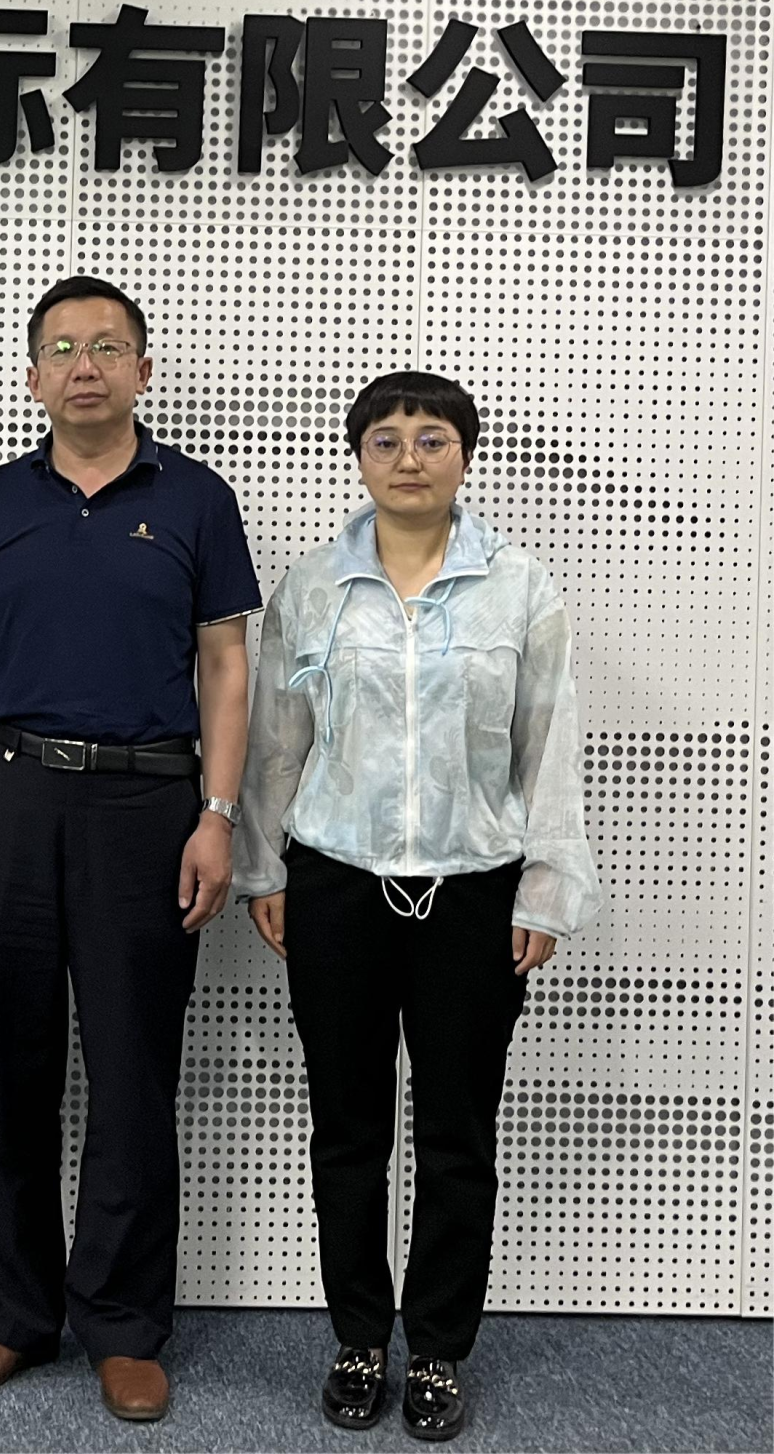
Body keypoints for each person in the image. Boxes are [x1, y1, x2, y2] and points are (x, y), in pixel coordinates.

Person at [234, 371, 600, 1441]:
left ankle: (436, 1345)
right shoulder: (313, 587)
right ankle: (357, 1335)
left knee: (455, 1134)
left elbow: (548, 745)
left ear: (463, 455)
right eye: (386, 439)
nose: (407, 458)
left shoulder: (518, 587)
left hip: (474, 893)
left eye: (431, 438)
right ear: (358, 457)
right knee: (347, 1129)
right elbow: (275, 743)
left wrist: (545, 885)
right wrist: (265, 869)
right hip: (336, 885)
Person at [0, 276, 259, 1421]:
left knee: (129, 1069)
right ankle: (13, 1311)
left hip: (147, 804)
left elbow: (223, 666)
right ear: (33, 376)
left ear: (141, 372)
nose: (84, 366)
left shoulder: (196, 499)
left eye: (107, 347)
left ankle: (120, 1319)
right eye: (62, 348)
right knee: (11, 1063)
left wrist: (218, 812)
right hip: (9, 795)